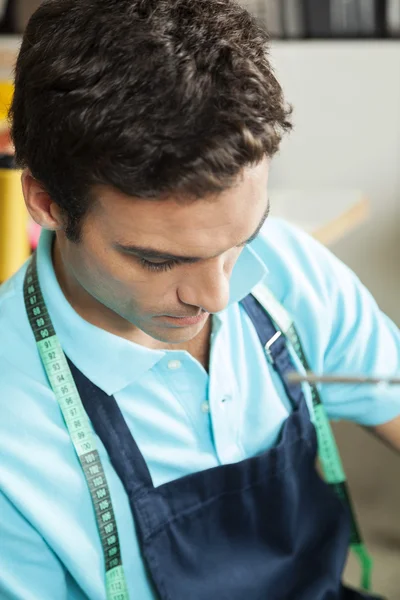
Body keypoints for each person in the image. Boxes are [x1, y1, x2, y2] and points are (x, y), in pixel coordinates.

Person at [0, 1, 399, 599]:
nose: (217, 296)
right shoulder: (12, 429)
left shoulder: (290, 268)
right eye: (158, 260)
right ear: (47, 203)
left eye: (243, 238)